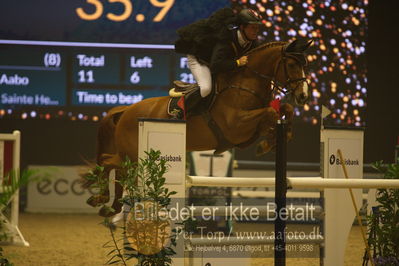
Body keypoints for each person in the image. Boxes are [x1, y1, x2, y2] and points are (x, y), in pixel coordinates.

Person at [175, 8, 263, 108]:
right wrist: (237, 63)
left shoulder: (253, 43)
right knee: (206, 88)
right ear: (242, 27)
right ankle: (180, 109)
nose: (256, 31)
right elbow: (215, 65)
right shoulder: (226, 39)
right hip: (200, 59)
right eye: (253, 28)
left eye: (257, 28)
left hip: (216, 62)